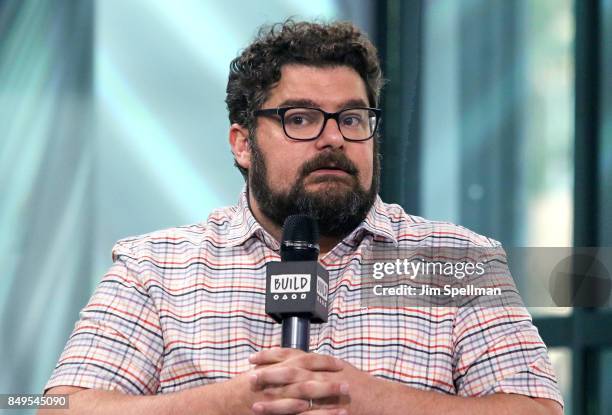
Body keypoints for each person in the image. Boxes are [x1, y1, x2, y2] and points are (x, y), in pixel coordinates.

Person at [42, 20, 563, 415]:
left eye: (353, 118)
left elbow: (534, 409)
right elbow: (57, 406)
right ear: (243, 143)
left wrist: (369, 397)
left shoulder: (458, 260)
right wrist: (237, 399)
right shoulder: (154, 266)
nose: (334, 137)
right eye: (301, 118)